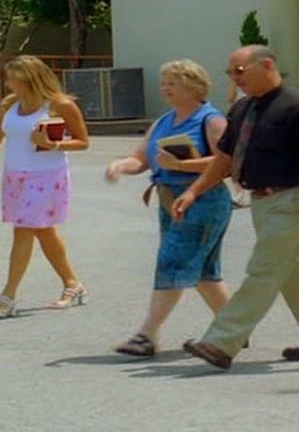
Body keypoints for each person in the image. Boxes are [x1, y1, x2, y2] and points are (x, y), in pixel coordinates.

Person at [173, 44, 299, 370]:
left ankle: (221, 341)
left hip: (294, 201)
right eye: (231, 72)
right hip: (261, 203)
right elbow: (225, 158)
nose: (235, 78)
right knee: (295, 272)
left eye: (240, 71)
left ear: (267, 65)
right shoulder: (242, 109)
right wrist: (193, 192)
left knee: (263, 270)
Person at [105, 59, 233, 357]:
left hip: (202, 199)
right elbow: (141, 158)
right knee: (203, 272)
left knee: (173, 264)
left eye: (172, 83)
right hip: (168, 199)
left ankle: (147, 335)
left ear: (194, 86)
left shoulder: (211, 120)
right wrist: (121, 165)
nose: (165, 89)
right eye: (163, 83)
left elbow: (224, 162)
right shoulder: (163, 121)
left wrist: (181, 165)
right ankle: (234, 328)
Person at [0, 55, 90, 318]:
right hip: (15, 176)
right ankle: (73, 284)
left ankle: (8, 296)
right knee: (44, 231)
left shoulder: (60, 105)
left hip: (46, 177)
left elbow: (83, 141)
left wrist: (53, 144)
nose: (7, 84)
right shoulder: (9, 105)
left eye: (12, 79)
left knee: (24, 229)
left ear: (29, 79)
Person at [225, 82, 250, 208]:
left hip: (242, 120)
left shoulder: (237, 84)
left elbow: (230, 98)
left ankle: (240, 195)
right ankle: (240, 194)